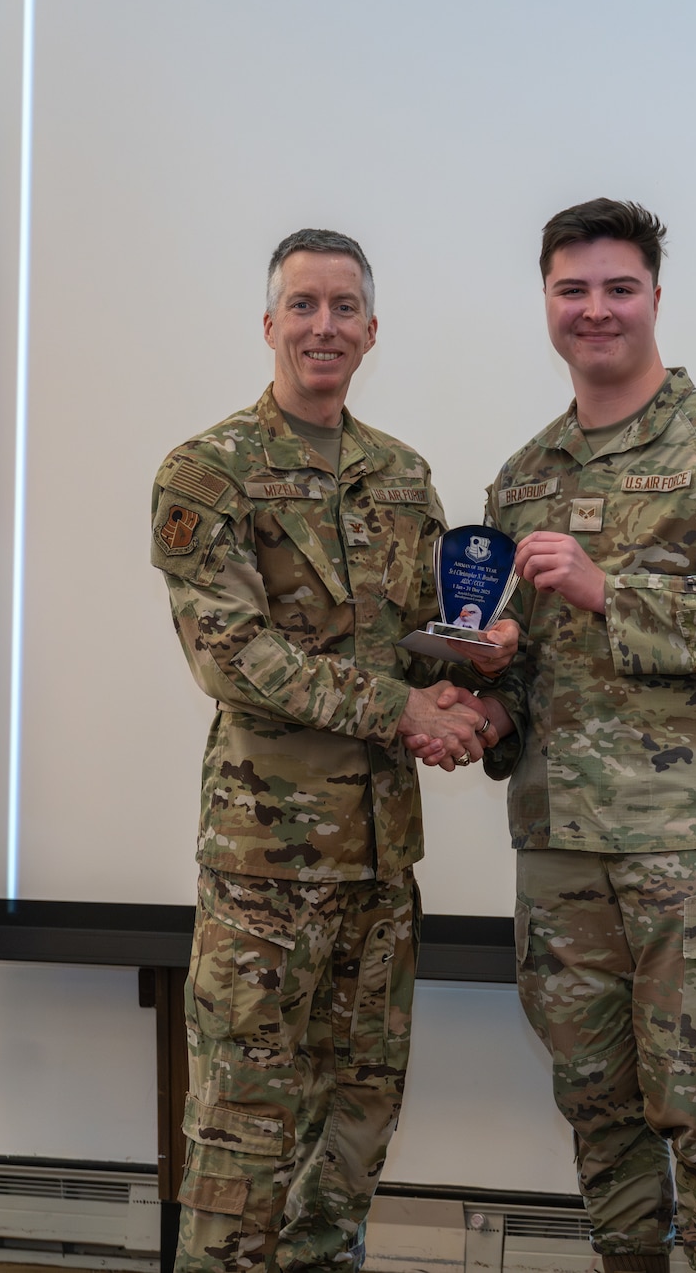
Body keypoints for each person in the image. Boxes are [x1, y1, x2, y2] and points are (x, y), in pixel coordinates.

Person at [416, 199, 696, 1273]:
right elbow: (530, 664)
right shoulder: (523, 476)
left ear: (654, 298)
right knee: (596, 1105)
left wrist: (610, 590)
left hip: (695, 850)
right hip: (561, 846)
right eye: (572, 289)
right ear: (546, 301)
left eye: (618, 288)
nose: (595, 310)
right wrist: (486, 699)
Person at [150, 230, 498, 1273]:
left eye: (345, 307)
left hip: (381, 870)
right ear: (269, 324)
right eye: (303, 305)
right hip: (265, 874)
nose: (324, 326)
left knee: (351, 1135)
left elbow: (414, 638)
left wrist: (474, 664)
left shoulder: (404, 478)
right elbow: (235, 657)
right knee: (240, 1140)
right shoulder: (208, 473)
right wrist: (405, 708)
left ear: (372, 331)